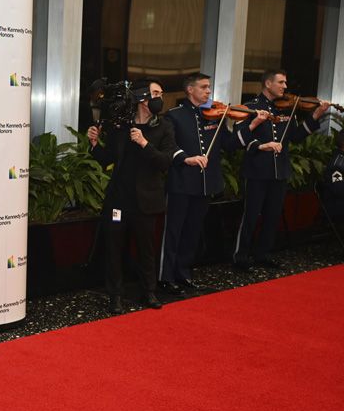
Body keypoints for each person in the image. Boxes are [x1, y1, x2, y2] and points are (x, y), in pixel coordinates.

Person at [87, 79, 178, 315]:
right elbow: (107, 158)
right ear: (142, 98)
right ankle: (115, 296)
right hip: (119, 201)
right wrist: (94, 143)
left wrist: (144, 143)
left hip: (147, 201)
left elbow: (165, 161)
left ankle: (149, 292)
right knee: (114, 249)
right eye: (156, 93)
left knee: (147, 249)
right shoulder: (120, 127)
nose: (160, 97)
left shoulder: (164, 127)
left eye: (161, 92)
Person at [232, 69, 330, 270]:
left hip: (280, 170)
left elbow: (296, 136)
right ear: (268, 84)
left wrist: (316, 115)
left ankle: (263, 254)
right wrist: (260, 145)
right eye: (281, 82)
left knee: (272, 215)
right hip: (257, 171)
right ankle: (240, 257)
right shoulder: (251, 108)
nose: (285, 87)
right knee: (251, 215)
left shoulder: (287, 109)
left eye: (285, 83)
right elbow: (241, 137)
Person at [159, 73, 244, 295]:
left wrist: (253, 123)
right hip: (181, 184)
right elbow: (168, 146)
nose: (208, 91)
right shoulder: (174, 116)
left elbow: (231, 143)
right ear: (190, 90)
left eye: (209, 87)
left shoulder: (214, 116)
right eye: (204, 87)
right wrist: (184, 157)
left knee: (193, 232)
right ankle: (166, 277)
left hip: (206, 185)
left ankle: (183, 274)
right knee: (174, 232)